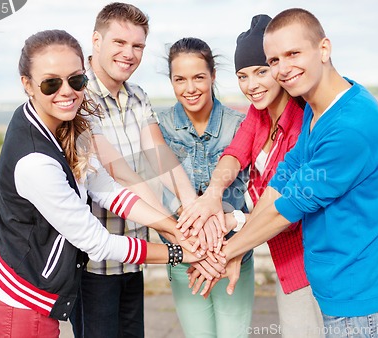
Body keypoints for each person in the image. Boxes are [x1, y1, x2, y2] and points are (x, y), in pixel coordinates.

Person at [186, 7, 378, 338]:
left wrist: (227, 251)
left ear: (324, 50)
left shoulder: (349, 127)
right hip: (335, 282)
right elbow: (281, 181)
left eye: (293, 54)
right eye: (274, 60)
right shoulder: (318, 113)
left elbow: (288, 208)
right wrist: (234, 239)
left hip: (357, 297)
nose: (283, 68)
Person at [0, 29, 200, 338]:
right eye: (51, 83)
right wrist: (180, 253)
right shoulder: (36, 162)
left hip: (35, 298)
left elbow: (105, 186)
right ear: (27, 85)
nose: (66, 91)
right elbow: (97, 242)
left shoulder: (60, 123)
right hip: (20, 305)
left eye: (76, 80)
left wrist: (174, 227)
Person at [180, 14, 323, 337]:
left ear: (278, 67)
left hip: (310, 257)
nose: (252, 85)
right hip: (285, 255)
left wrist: (234, 228)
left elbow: (286, 204)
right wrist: (213, 195)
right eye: (243, 76)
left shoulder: (301, 124)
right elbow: (235, 154)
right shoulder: (259, 115)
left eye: (261, 71)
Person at [71, 3, 201, 338]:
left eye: (138, 45)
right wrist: (180, 236)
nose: (129, 54)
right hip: (94, 260)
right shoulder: (76, 96)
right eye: (119, 43)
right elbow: (119, 174)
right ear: (96, 41)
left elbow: (160, 159)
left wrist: (195, 211)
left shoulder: (138, 95)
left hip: (135, 251)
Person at [156, 37, 254, 338]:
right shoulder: (158, 127)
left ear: (213, 75)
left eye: (199, 77)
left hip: (233, 254)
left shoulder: (241, 124)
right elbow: (161, 196)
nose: (190, 88)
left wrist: (225, 251)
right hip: (184, 255)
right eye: (180, 79)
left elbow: (254, 194)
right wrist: (197, 246)